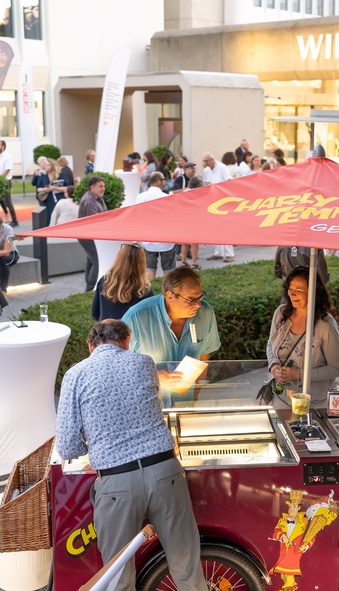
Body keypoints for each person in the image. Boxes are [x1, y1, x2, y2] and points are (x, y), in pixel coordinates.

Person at [55, 320, 206, 591]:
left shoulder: (75, 375)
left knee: (119, 580)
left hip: (116, 485)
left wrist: (100, 444)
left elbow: (67, 447)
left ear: (90, 346)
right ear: (127, 341)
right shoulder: (143, 362)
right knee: (187, 571)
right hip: (165, 472)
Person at [122, 267, 220, 398]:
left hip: (185, 405)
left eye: (200, 297)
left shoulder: (205, 313)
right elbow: (119, 369)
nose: (198, 305)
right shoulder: (136, 318)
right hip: (147, 407)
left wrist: (196, 396)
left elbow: (203, 356)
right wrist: (154, 377)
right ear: (170, 296)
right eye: (191, 300)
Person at [266, 267, 339, 410]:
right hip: (280, 399)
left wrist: (299, 374)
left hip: (313, 404)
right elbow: (270, 344)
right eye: (290, 288)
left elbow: (336, 368)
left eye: (299, 290)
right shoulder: (280, 313)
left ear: (313, 292)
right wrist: (274, 366)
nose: (292, 293)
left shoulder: (326, 326)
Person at [92, 243, 155, 321]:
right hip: (131, 332)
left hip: (104, 331)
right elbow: (150, 318)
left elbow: (95, 312)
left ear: (119, 259)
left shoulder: (104, 281)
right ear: (141, 264)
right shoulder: (144, 290)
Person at [136, 172, 177, 281]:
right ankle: (168, 294)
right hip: (166, 239)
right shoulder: (167, 197)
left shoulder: (140, 197)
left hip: (148, 238)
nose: (165, 183)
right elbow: (173, 218)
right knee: (169, 271)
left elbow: (137, 217)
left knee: (149, 270)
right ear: (158, 181)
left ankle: (150, 293)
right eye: (163, 180)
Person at [201, 152, 234, 262]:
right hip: (212, 200)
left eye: (206, 161)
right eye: (204, 161)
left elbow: (229, 182)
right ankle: (218, 252)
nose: (204, 163)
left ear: (211, 160)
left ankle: (229, 254)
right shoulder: (206, 171)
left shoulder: (222, 168)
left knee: (226, 227)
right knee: (216, 227)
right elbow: (205, 184)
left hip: (223, 200)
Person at [77, 176, 108, 291]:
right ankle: (90, 289)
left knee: (91, 261)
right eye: (100, 186)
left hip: (89, 235)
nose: (103, 188)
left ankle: (88, 289)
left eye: (103, 186)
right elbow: (95, 222)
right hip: (88, 236)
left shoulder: (97, 198)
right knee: (96, 261)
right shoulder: (89, 201)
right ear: (92, 187)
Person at [0, 140, 18, 226]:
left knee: (8, 201)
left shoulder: (7, 156)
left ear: (3, 146)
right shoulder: (0, 157)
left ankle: (15, 220)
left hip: (5, 181)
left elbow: (7, 169)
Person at [33, 156, 65, 221]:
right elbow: (38, 188)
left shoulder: (60, 175)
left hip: (58, 198)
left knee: (58, 218)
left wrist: (55, 188)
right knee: (48, 218)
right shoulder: (43, 175)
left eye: (48, 165)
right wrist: (45, 189)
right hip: (47, 199)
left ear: (53, 166)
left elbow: (66, 187)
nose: (45, 166)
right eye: (45, 165)